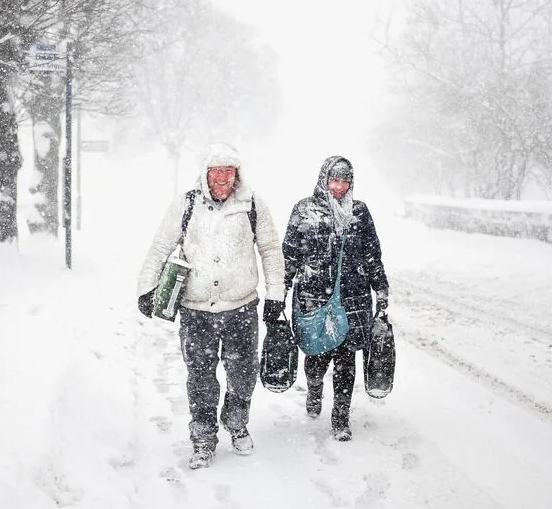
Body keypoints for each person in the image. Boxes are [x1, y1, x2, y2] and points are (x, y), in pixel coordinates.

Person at [137, 142, 286, 470]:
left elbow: (272, 250)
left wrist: (276, 294)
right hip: (196, 310)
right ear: (206, 174)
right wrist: (146, 288)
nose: (222, 178)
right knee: (201, 376)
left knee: (243, 373)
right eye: (216, 171)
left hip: (241, 308)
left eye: (228, 172)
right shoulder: (187, 203)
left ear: (237, 174)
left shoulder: (253, 205)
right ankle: (203, 437)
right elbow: (161, 245)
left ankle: (236, 422)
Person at [270, 156, 389, 441]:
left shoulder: (359, 212)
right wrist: (279, 292)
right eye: (334, 180)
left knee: (346, 359)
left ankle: (340, 419)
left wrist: (381, 288)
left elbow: (373, 254)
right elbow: (290, 255)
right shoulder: (304, 210)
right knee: (316, 356)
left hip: (353, 296)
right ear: (324, 180)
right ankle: (313, 387)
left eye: (345, 181)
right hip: (314, 297)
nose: (339, 187)